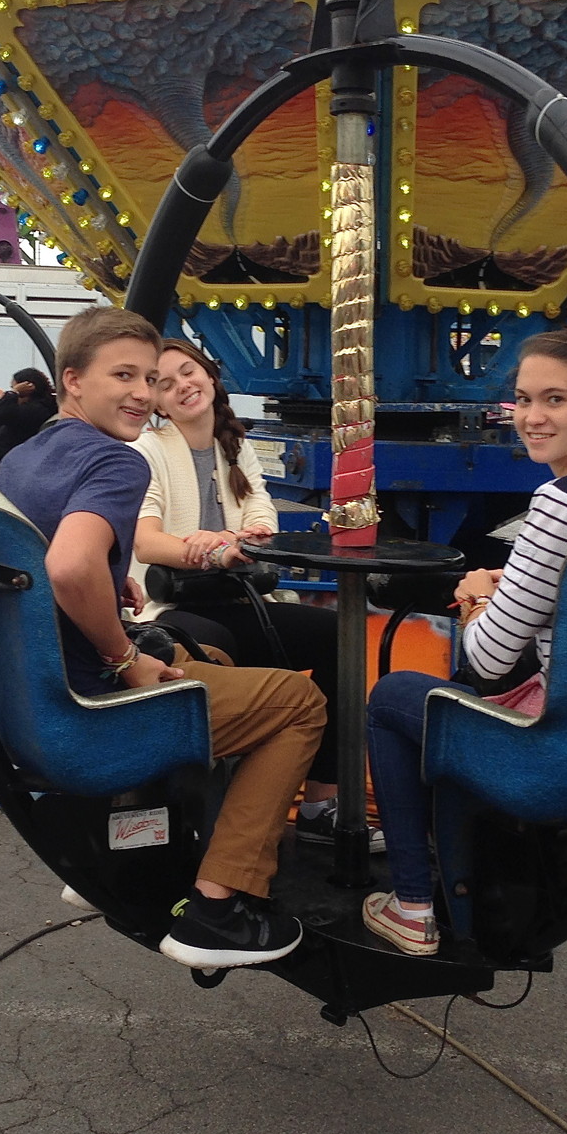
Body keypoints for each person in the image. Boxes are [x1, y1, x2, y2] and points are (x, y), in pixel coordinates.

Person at [0, 306, 326, 970]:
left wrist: (110, 586)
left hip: (16, 704)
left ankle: (137, 847)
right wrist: (122, 658)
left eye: (149, 378)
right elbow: (68, 566)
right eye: (125, 375)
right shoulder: (118, 463)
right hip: (83, 713)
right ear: (74, 379)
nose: (143, 394)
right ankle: (219, 905)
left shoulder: (22, 460)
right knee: (298, 704)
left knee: (205, 654)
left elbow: (45, 562)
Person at [360, 330, 567, 956]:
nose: (533, 418)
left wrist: (480, 594)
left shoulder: (562, 502)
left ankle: (412, 903)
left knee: (395, 697)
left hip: (563, 748)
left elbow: (487, 660)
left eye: (555, 400)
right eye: (524, 400)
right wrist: (526, 587)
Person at [130, 340, 378, 851]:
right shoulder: (147, 450)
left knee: (335, 637)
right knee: (217, 649)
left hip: (234, 596)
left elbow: (260, 510)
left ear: (210, 374)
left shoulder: (233, 445)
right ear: (157, 402)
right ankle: (210, 815)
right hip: (176, 603)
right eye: (167, 383)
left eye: (189, 372)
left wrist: (246, 536)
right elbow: (146, 539)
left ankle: (318, 803)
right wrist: (204, 549)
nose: (183, 386)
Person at [0, 367, 59, 461]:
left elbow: (2, 415)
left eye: (15, 387)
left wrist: (13, 393)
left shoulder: (38, 409)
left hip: (17, 459)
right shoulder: (30, 406)